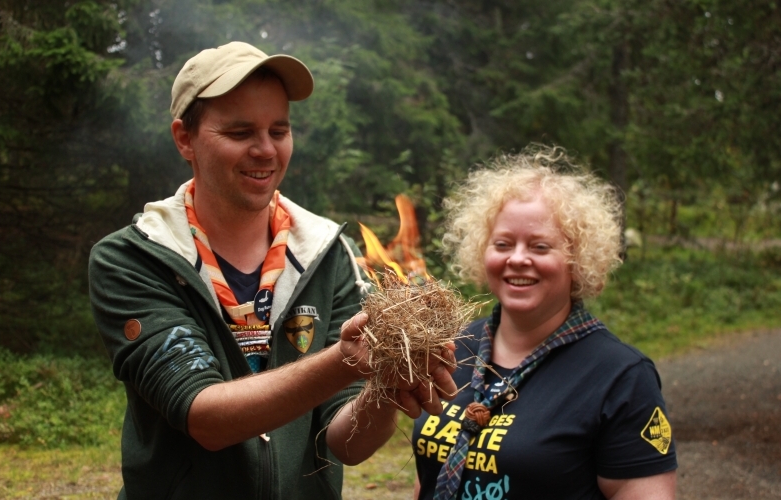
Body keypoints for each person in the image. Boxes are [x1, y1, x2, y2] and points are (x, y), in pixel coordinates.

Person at [88, 41, 456, 499]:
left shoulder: (328, 253)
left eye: (278, 130)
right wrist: (344, 361)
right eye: (240, 133)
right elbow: (204, 418)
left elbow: (347, 443)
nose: (265, 150)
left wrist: (383, 379)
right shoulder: (135, 259)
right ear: (185, 138)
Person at [412, 145, 677, 500]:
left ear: (577, 259)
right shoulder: (452, 347)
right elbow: (429, 477)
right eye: (503, 243)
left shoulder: (621, 377)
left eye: (539, 247)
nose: (518, 259)